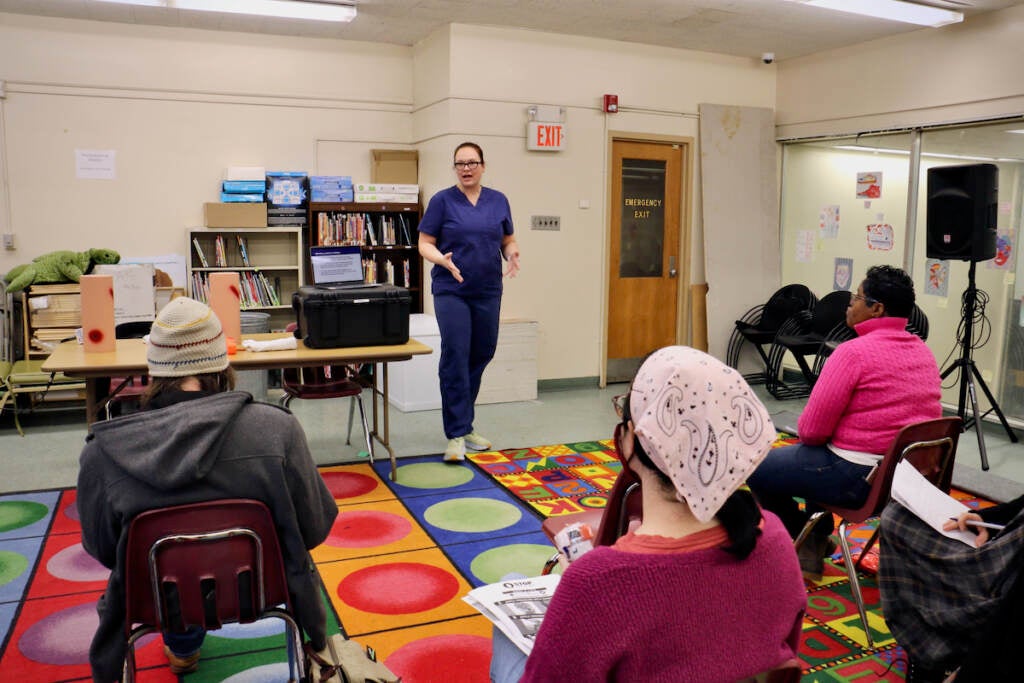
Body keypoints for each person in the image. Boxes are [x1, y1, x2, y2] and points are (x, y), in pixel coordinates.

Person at [489, 346, 807, 683]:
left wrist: (574, 588)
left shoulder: (596, 581)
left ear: (632, 440)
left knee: (509, 583)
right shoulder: (775, 537)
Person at [77, 297, 338, 682]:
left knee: (174, 565)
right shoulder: (277, 429)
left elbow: (103, 549)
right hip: (264, 589)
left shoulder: (102, 453)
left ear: (154, 367)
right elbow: (313, 528)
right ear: (222, 361)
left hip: (156, 600)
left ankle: (183, 648)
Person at [747, 265, 942, 578]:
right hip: (905, 480)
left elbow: (810, 431)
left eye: (857, 297)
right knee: (812, 457)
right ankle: (813, 537)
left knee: (754, 464)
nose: (849, 304)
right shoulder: (924, 352)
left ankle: (804, 539)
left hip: (857, 480)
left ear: (877, 308)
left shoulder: (852, 353)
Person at [418, 141, 520, 462]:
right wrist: (442, 260)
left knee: (482, 353)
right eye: (460, 163)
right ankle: (456, 433)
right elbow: (424, 243)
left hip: (488, 290)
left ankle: (466, 422)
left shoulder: (498, 200)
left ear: (483, 166)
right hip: (452, 291)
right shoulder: (442, 202)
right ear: (455, 167)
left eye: (472, 162)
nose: (466, 168)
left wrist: (512, 253)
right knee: (457, 354)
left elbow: (507, 239)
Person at [879, 495, 1024, 683]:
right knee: (897, 516)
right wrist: (985, 518)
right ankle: (927, 651)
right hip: (1003, 541)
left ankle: (932, 652)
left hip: (1006, 570)